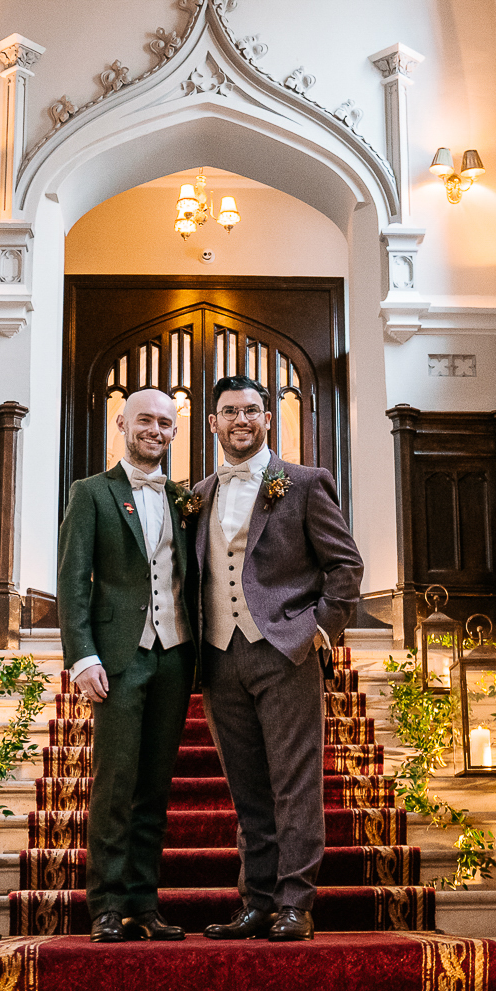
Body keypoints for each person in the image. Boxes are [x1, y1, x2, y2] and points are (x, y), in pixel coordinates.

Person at [192, 375, 363, 942]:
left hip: (285, 651)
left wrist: (320, 627)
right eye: (228, 411)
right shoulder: (199, 493)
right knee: (247, 789)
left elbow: (345, 566)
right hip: (219, 656)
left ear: (268, 418)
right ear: (212, 422)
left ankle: (296, 903)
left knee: (295, 782)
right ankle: (255, 902)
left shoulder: (305, 483)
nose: (240, 420)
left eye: (250, 410)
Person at [56, 388, 201, 943]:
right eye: (146, 420)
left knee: (155, 788)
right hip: (118, 657)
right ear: (123, 422)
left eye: (166, 423)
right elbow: (73, 580)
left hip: (174, 655)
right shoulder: (91, 493)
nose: (157, 431)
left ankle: (145, 903)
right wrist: (82, 655)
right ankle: (107, 907)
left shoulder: (184, 497)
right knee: (115, 784)